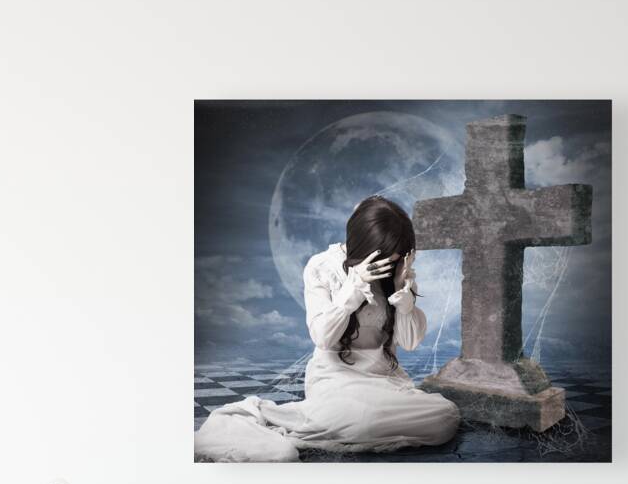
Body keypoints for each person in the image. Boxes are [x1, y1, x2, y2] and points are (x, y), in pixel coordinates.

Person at [194, 196, 460, 462]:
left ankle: (359, 426)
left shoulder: (398, 271)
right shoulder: (322, 267)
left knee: (445, 416)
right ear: (366, 246)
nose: (393, 264)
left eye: (398, 257)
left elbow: (410, 342)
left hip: (385, 382)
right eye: (387, 258)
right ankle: (279, 419)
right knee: (363, 420)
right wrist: (353, 291)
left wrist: (404, 295)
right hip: (337, 381)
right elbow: (322, 337)